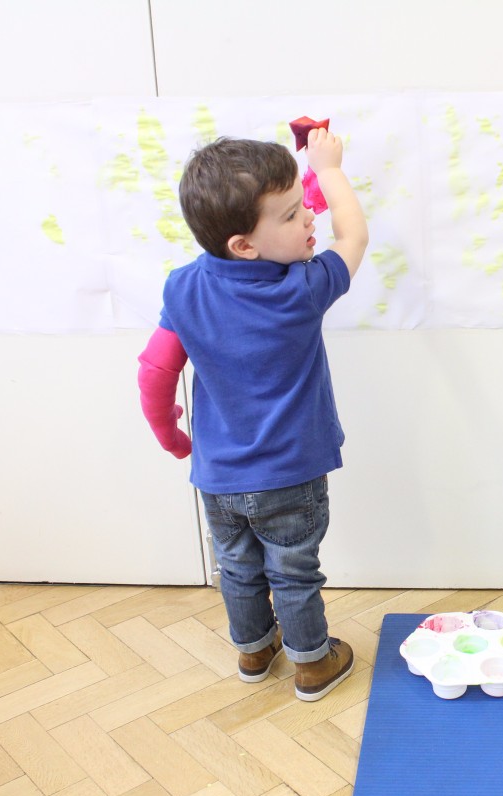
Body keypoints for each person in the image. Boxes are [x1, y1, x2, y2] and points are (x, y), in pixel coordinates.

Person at [136, 129, 368, 702]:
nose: (311, 215)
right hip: (291, 475)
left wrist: (174, 438)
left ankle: (254, 649)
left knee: (237, 568)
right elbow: (354, 235)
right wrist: (330, 169)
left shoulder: (185, 288)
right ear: (244, 244)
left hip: (217, 476)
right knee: (293, 571)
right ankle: (313, 663)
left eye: (307, 202)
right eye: (293, 214)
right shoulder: (302, 289)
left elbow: (155, 372)